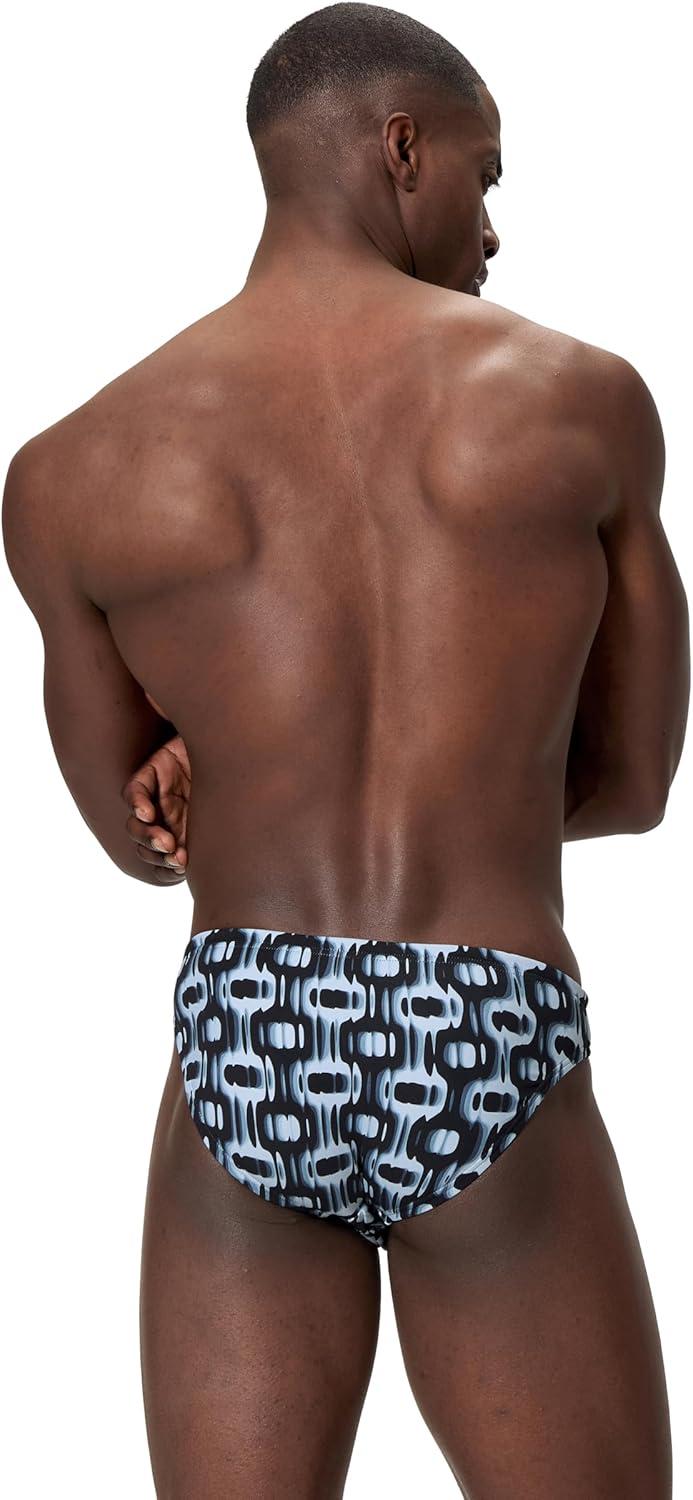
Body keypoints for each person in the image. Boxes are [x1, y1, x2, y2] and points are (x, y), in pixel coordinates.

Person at [3, 4, 689, 1495]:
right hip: (481, 1014)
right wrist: (470, 778)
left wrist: (225, 767)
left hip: (250, 1028)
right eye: (485, 178)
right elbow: (635, 785)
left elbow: (136, 845)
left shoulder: (72, 466)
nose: (493, 228)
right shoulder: (582, 402)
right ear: (402, 149)